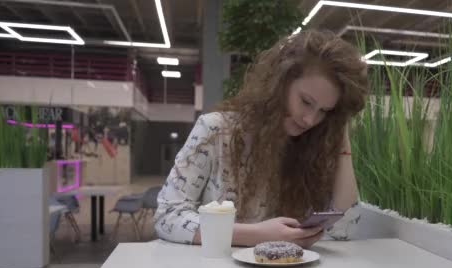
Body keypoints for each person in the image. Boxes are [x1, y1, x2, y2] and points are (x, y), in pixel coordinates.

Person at [154, 29, 368, 247]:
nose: (310, 119)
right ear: (280, 84)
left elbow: (344, 230)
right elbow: (167, 216)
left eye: (324, 111)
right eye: (306, 101)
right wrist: (256, 235)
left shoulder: (313, 147)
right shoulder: (215, 130)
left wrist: (339, 133)